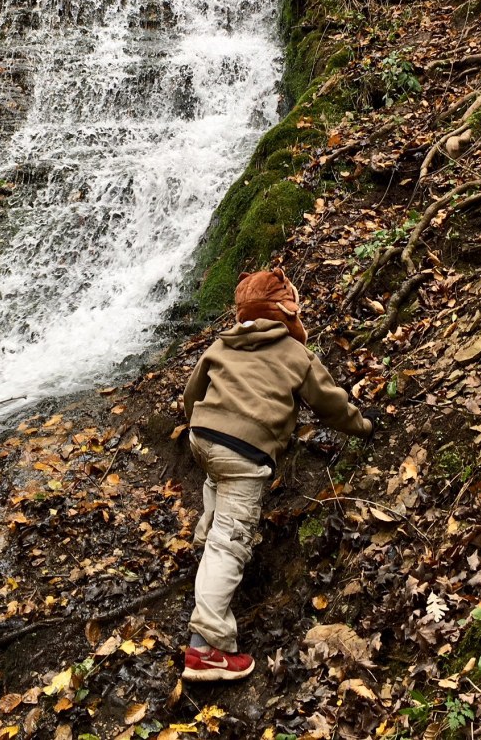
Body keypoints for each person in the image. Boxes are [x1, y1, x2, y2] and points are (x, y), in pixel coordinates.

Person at [181, 267, 374, 682]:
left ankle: (204, 540)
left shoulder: (222, 344)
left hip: (203, 437)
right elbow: (330, 404)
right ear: (287, 312)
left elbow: (192, 393)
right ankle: (205, 649)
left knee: (216, 480)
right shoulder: (294, 353)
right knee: (231, 542)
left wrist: (204, 422)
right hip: (244, 450)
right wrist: (364, 426)